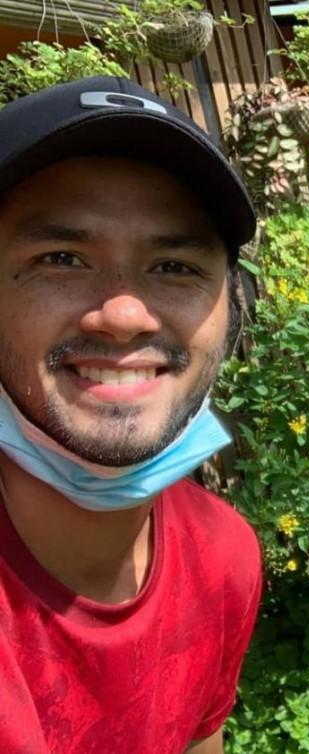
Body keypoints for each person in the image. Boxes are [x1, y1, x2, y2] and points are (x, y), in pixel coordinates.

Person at [0, 76, 262, 753]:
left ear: (233, 311)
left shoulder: (224, 557)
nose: (123, 314)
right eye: (61, 258)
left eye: (173, 266)